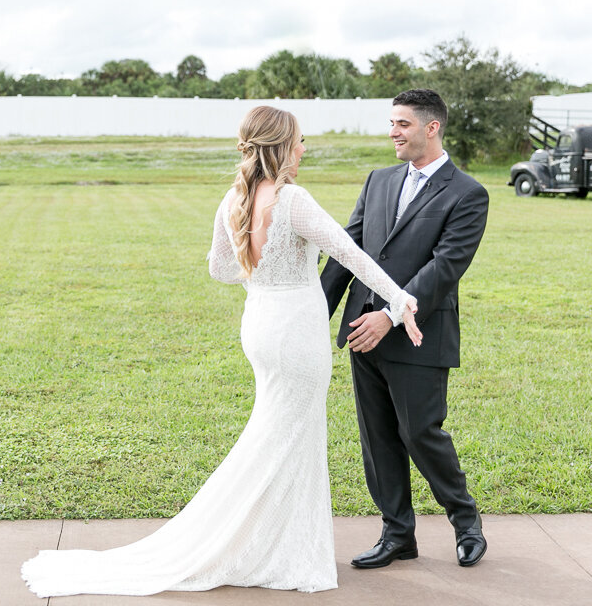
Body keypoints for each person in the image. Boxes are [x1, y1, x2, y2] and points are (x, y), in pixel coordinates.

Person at [22, 105, 421, 597]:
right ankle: (266, 549)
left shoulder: (234, 198)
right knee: (289, 437)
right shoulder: (293, 200)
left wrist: (264, 275)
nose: (303, 149)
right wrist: (401, 301)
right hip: (296, 330)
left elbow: (220, 269)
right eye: (298, 141)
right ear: (279, 146)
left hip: (260, 323)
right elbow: (351, 255)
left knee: (276, 433)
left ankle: (270, 542)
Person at [319, 88, 489, 570]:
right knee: (377, 438)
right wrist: (316, 315)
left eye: (402, 124)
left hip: (417, 334)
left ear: (431, 127)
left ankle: (465, 520)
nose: (392, 132)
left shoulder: (468, 193)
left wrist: (389, 314)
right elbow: (346, 253)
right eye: (391, 123)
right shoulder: (378, 180)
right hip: (362, 332)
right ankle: (398, 535)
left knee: (421, 433)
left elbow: (445, 267)